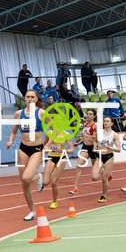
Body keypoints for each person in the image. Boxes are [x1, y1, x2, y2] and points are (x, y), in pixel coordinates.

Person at [6, 90, 46, 221]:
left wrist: (46, 146)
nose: (30, 99)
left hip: (36, 149)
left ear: (36, 99)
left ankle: (38, 176)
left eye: (32, 97)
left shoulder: (41, 113)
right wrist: (10, 140)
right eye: (27, 97)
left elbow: (54, 130)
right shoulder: (18, 114)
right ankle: (31, 211)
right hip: (23, 148)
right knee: (24, 183)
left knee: (27, 178)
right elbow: (13, 131)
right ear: (25, 99)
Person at [41, 127, 75, 209]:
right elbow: (44, 145)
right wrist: (46, 149)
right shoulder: (49, 132)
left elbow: (72, 149)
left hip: (62, 158)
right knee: (45, 182)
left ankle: (54, 202)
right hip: (51, 157)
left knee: (54, 181)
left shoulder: (66, 134)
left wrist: (63, 151)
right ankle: (41, 179)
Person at [92, 115, 121, 203]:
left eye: (108, 121)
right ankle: (104, 172)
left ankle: (104, 195)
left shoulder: (114, 135)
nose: (105, 123)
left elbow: (119, 149)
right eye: (104, 121)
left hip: (108, 157)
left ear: (111, 123)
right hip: (99, 156)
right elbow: (95, 141)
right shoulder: (99, 132)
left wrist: (110, 147)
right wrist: (95, 147)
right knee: (94, 177)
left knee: (104, 179)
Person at [69, 109, 97, 194]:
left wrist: (86, 135)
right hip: (85, 147)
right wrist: (78, 143)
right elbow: (84, 137)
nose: (88, 115)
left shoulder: (95, 125)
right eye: (87, 114)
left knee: (95, 170)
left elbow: (95, 138)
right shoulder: (85, 125)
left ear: (94, 116)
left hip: (94, 148)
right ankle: (75, 187)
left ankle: (107, 173)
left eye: (90, 114)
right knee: (79, 165)